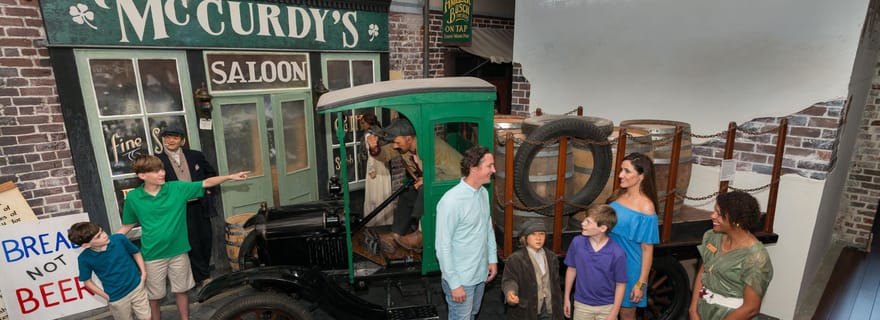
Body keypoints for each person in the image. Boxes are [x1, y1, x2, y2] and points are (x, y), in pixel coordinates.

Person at [117, 154, 248, 320]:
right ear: (142, 175)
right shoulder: (133, 198)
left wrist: (229, 177)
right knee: (154, 297)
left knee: (182, 291)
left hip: (179, 252)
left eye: (162, 169)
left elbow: (205, 183)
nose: (162, 173)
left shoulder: (176, 188)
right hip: (152, 255)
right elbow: (127, 225)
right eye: (155, 171)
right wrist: (108, 242)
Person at [366, 117, 461, 252]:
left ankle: (421, 236)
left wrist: (428, 180)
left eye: (397, 142)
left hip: (454, 185)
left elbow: (457, 174)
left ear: (409, 139)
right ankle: (396, 234)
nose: (394, 146)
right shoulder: (405, 145)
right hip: (433, 183)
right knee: (407, 193)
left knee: (424, 190)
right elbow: (386, 153)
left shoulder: (432, 146)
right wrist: (374, 148)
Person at [688, 191, 774, 319]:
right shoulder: (713, 237)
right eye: (714, 211)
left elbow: (751, 308)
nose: (712, 216)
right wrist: (693, 311)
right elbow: (703, 272)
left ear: (736, 221)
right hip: (703, 310)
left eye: (719, 214)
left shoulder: (756, 258)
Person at [435, 145, 498, 320]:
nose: (494, 170)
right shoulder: (451, 202)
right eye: (489, 166)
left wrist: (492, 259)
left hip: (480, 274)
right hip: (461, 279)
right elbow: (443, 247)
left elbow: (487, 228)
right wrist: (454, 284)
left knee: (472, 315)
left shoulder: (483, 193)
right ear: (473, 168)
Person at [155, 125, 218, 287]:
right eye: (167, 137)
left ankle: (201, 273)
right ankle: (203, 278)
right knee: (192, 242)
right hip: (179, 209)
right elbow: (155, 184)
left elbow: (211, 173)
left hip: (200, 204)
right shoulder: (157, 160)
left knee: (206, 238)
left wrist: (208, 190)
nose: (170, 140)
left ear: (182, 141)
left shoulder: (195, 155)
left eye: (175, 137)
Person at [606, 152, 660, 320]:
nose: (621, 175)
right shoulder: (618, 195)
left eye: (627, 171)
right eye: (621, 170)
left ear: (642, 176)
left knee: (626, 314)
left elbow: (647, 250)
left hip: (629, 268)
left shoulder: (646, 207)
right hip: (608, 262)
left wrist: (641, 283)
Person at [69, 222, 150, 320]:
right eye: (98, 237)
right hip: (117, 298)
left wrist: (143, 274)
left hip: (137, 287)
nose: (104, 235)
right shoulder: (84, 259)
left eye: (102, 231)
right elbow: (87, 282)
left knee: (147, 317)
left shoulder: (119, 239)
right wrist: (107, 297)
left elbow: (136, 252)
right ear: (86, 245)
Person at [563, 204, 627, 320]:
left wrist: (614, 313)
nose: (582, 223)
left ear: (602, 228)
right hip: (581, 305)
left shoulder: (617, 253)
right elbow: (571, 270)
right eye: (584, 219)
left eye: (588, 222)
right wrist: (566, 298)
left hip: (607, 307)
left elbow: (620, 284)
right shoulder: (577, 243)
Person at [501, 220, 563, 320]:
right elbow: (509, 280)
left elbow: (556, 285)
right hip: (526, 309)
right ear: (525, 238)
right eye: (533, 234)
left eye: (541, 234)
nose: (538, 238)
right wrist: (510, 292)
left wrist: (560, 305)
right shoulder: (515, 259)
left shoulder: (551, 257)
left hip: (549, 308)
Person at [359, 114, 394, 227]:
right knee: (383, 192)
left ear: (368, 123)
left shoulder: (369, 134)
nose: (362, 125)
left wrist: (371, 169)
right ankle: (386, 221)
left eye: (363, 123)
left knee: (375, 194)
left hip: (375, 164)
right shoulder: (380, 131)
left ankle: (374, 222)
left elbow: (371, 154)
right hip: (383, 164)